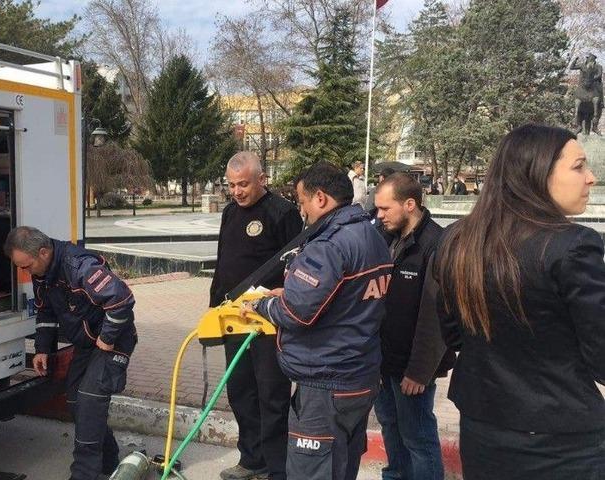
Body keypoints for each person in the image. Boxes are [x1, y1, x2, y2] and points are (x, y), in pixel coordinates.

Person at [434, 124, 605, 479]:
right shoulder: (573, 246)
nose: (591, 178)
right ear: (537, 172)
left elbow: (453, 334)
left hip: (483, 427)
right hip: (561, 442)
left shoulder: (457, 240)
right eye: (578, 167)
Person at [242, 162, 393, 480]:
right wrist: (292, 291)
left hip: (326, 384)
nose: (302, 211)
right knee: (341, 466)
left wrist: (264, 305)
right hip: (359, 376)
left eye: (302, 202)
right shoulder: (370, 235)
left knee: (312, 470)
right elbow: (346, 296)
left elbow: (296, 313)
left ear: (321, 198)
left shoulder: (326, 246)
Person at [4, 227, 138, 480]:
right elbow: (45, 311)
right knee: (77, 401)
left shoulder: (80, 267)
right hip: (88, 344)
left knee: (89, 401)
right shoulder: (42, 272)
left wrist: (107, 339)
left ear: (43, 253)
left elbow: (122, 300)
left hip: (113, 340)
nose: (25, 272)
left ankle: (83, 474)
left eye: (26, 266)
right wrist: (43, 349)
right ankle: (109, 463)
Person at [210, 152, 303, 480]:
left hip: (268, 322)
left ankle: (277, 468)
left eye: (243, 184)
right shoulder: (229, 213)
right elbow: (222, 262)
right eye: (232, 185)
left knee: (272, 394)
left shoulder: (283, 213)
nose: (237, 191)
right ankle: (252, 460)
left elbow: (296, 267)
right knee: (240, 391)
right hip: (234, 318)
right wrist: (214, 310)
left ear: (261, 179)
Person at [372, 173, 455, 480]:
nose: (379, 216)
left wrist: (420, 371)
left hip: (412, 369)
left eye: (385, 209)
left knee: (418, 437)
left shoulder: (437, 243)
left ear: (409, 204)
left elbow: (435, 315)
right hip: (383, 360)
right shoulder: (386, 239)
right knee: (391, 428)